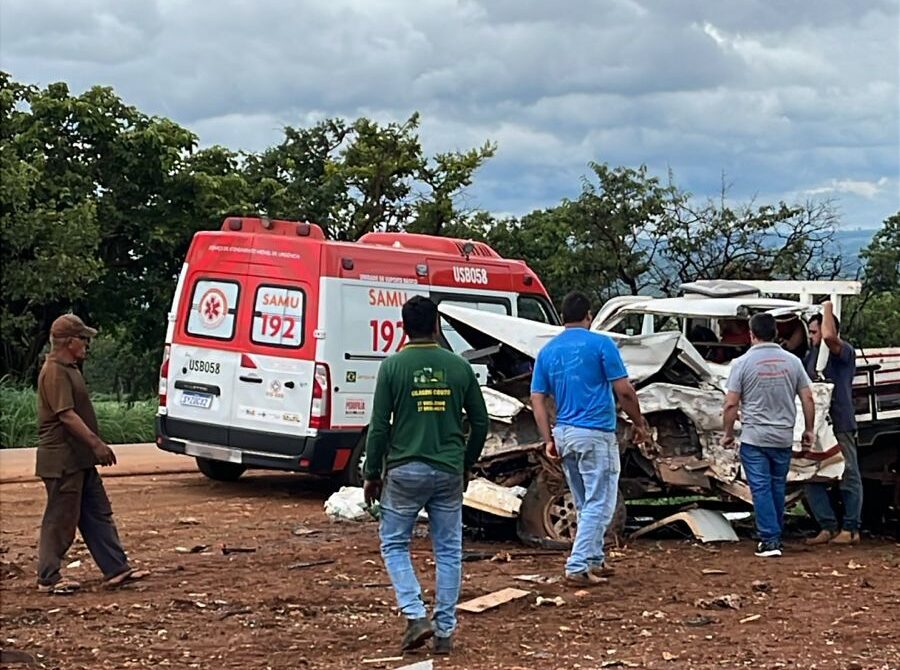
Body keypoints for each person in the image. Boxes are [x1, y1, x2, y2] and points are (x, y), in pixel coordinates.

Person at [363, 296, 489, 655]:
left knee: (393, 544)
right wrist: (466, 462)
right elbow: (479, 422)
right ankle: (445, 633)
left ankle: (416, 615)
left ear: (404, 326)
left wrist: (372, 473)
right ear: (437, 325)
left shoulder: (392, 367)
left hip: (404, 471)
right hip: (448, 471)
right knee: (449, 550)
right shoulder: (458, 367)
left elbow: (378, 428)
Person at [530, 291, 648, 585]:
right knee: (601, 501)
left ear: (561, 317)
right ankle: (578, 564)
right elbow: (624, 390)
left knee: (584, 502)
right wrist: (639, 422)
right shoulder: (601, 344)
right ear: (589, 316)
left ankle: (594, 558)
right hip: (595, 432)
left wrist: (548, 438)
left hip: (565, 433)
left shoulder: (548, 351)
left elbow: (537, 397)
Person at [36, 314, 149, 594]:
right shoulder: (55, 371)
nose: (87, 343)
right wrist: (96, 444)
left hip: (80, 460)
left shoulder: (70, 367)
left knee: (98, 513)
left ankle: (116, 569)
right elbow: (67, 416)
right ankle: (48, 577)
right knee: (61, 518)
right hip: (63, 459)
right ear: (70, 341)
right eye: (83, 338)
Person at [721, 312, 816, 558]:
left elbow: (731, 404)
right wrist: (808, 429)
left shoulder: (741, 364)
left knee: (760, 487)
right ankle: (774, 533)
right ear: (775, 333)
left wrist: (728, 433)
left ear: (752, 335)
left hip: (755, 437)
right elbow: (807, 397)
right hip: (783, 437)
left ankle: (770, 540)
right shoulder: (793, 362)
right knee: (776, 485)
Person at [804, 302, 862, 545]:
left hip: (839, 421)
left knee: (848, 474)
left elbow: (829, 336)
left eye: (814, 331)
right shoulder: (810, 356)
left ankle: (851, 529)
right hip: (817, 424)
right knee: (811, 477)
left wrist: (828, 305)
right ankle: (827, 526)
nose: (812, 336)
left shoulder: (843, 352)